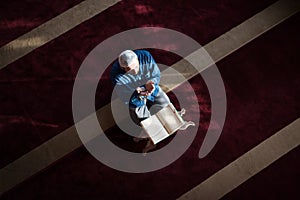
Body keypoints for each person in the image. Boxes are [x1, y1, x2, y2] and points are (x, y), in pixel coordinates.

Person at [110, 49, 170, 152]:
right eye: (130, 70)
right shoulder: (116, 75)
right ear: (122, 68)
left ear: (138, 59)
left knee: (166, 105)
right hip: (135, 97)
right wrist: (138, 92)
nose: (135, 71)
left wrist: (152, 83)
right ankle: (149, 136)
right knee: (143, 120)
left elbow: (156, 75)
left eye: (136, 67)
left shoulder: (145, 56)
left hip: (150, 88)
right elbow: (125, 96)